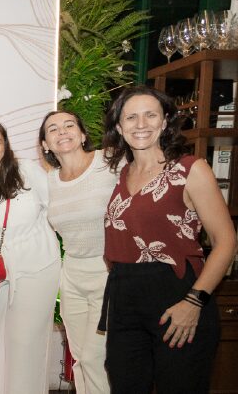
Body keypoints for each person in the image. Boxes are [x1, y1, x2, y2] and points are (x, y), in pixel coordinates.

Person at [100, 86, 236, 393]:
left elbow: (226, 241)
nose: (141, 124)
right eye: (131, 117)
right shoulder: (121, 175)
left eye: (150, 115)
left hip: (177, 293)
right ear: (119, 127)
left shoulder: (189, 169)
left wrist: (194, 302)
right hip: (124, 299)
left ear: (164, 122)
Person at [0, 120, 60, 394]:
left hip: (36, 266)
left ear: (5, 146)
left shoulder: (27, 171)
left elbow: (56, 206)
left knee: (25, 344)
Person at [38, 111, 114, 394]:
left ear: (83, 135)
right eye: (53, 129)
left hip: (108, 272)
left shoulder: (110, 162)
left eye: (69, 125)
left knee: (96, 357)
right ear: (45, 144)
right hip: (72, 274)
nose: (62, 131)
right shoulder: (50, 181)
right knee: (81, 358)